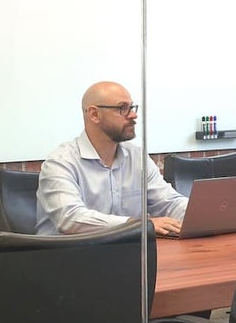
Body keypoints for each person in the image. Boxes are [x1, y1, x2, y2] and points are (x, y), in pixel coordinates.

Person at [36, 81, 187, 236]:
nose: (133, 115)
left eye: (132, 107)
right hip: (68, 250)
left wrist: (198, 212)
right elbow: (70, 219)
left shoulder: (137, 157)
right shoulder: (60, 163)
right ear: (94, 114)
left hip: (125, 248)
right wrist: (138, 225)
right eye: (122, 108)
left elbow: (169, 203)